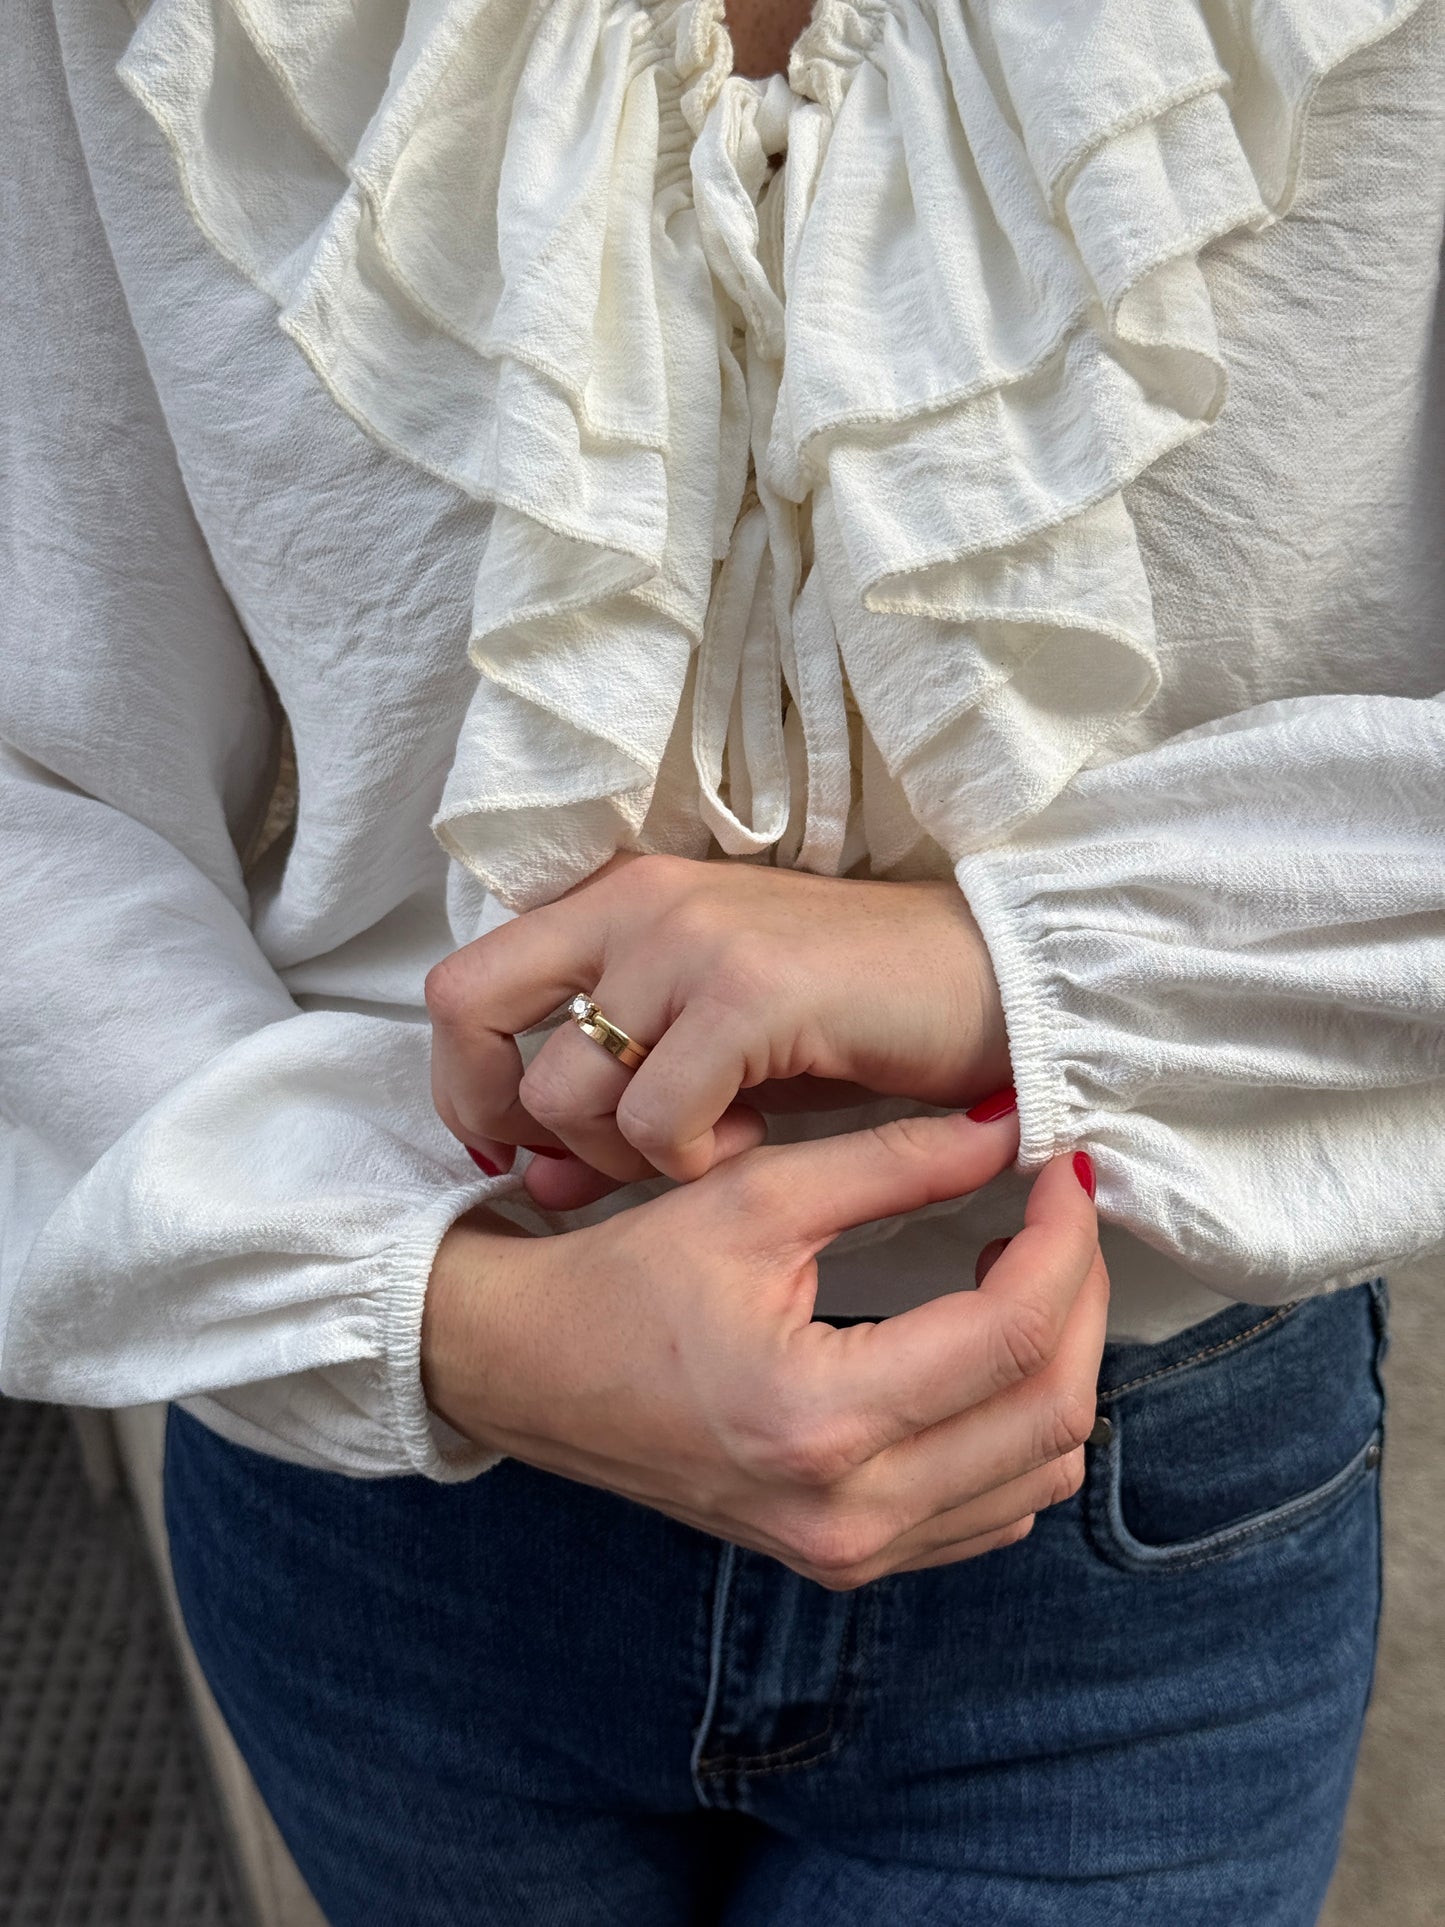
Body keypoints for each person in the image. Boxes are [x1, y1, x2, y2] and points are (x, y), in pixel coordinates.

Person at [2, 0, 1442, 1919]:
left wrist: (997, 967)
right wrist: (434, 1315)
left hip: (1135, 1518)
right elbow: (37, 773)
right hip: (383, 1510)